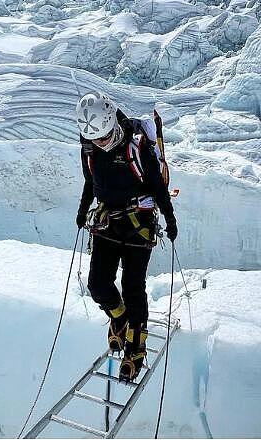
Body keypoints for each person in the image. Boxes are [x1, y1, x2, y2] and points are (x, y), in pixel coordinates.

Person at [74, 92, 178, 381]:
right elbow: (90, 182)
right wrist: (83, 211)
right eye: (96, 140)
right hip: (108, 220)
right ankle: (119, 319)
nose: (101, 144)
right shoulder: (91, 148)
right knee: (97, 284)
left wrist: (170, 218)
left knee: (133, 286)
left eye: (105, 138)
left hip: (138, 222)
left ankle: (136, 345)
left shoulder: (137, 145)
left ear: (113, 125)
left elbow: (157, 186)